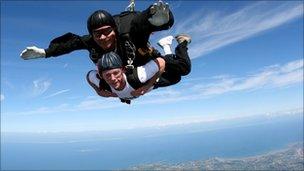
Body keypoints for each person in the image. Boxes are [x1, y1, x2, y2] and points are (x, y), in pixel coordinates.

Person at [20, 1, 174, 68]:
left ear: (114, 29)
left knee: (180, 71)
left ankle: (166, 46)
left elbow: (140, 22)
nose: (102, 37)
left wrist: (158, 22)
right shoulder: (91, 41)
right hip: (121, 70)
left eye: (107, 31)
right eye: (97, 33)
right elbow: (71, 43)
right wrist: (45, 53)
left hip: (141, 56)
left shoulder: (126, 31)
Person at [86, 34, 191, 104]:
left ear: (123, 70)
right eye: (107, 75)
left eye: (116, 73)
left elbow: (161, 62)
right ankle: (166, 45)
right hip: (149, 83)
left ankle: (182, 43)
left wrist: (147, 86)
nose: (113, 79)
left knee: (184, 69)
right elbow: (88, 76)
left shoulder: (139, 76)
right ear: (101, 75)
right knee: (176, 78)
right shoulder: (101, 83)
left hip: (150, 74)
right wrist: (98, 91)